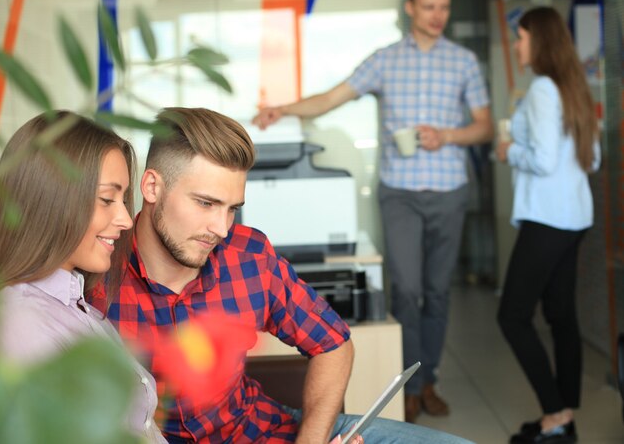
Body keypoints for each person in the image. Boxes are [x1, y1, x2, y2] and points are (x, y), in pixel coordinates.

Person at [89, 106, 475, 444]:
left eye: (231, 208)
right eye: (206, 203)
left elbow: (334, 344)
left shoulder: (248, 256)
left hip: (263, 431)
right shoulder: (95, 277)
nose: (221, 228)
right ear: (152, 186)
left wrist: (312, 440)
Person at [252, 0, 493, 422]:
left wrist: (448, 135)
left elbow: (484, 126)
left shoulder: (462, 62)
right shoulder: (385, 59)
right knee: (406, 289)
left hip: (449, 190)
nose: (437, 15)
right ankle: (411, 385)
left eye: (443, 7)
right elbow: (331, 99)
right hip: (399, 193)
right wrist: (282, 108)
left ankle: (428, 381)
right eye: (429, 7)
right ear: (410, 9)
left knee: (438, 293)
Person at [0, 111, 166, 443]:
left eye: (123, 199)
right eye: (107, 199)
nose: (125, 219)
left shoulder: (76, 305)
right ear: (52, 199)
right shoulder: (22, 325)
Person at [495, 6, 600, 444]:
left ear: (537, 41)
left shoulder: (541, 89)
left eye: (520, 37)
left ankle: (554, 414)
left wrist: (507, 150)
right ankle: (564, 418)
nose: (517, 45)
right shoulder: (574, 86)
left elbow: (541, 158)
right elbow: (591, 159)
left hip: (547, 219)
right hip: (575, 215)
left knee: (513, 315)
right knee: (561, 315)